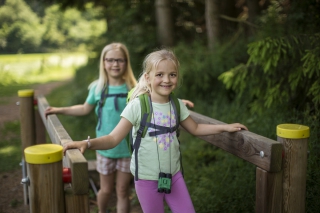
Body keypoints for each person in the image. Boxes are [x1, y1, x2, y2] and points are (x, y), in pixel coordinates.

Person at [62, 48, 248, 213]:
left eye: (172, 74)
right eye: (160, 74)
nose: (166, 80)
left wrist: (225, 127)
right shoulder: (137, 106)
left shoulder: (176, 104)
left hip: (174, 176)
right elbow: (112, 138)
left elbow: (196, 128)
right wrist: (86, 143)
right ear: (148, 77)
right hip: (146, 180)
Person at [45, 43, 194, 213]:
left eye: (120, 60)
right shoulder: (98, 88)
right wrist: (60, 110)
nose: (115, 64)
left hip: (126, 149)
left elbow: (155, 98)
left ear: (126, 62)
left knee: (122, 191)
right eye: (110, 60)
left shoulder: (132, 87)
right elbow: (85, 108)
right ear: (103, 62)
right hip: (105, 148)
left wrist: (179, 102)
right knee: (106, 189)